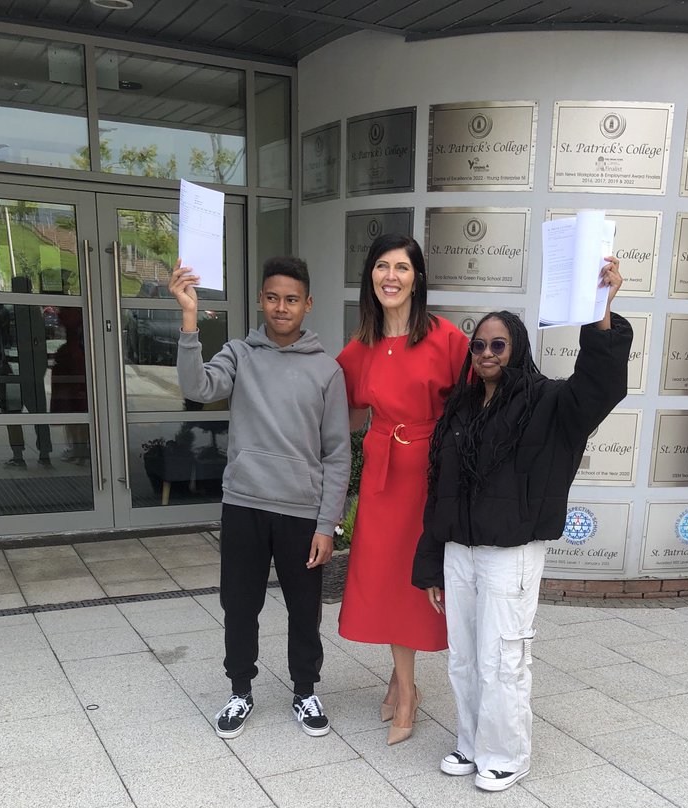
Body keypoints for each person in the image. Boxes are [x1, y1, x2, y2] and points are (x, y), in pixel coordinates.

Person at [412, 258, 631, 791]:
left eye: (498, 345)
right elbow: (441, 487)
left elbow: (600, 385)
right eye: (479, 345)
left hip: (510, 552)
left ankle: (507, 753)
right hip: (459, 551)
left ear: (517, 350)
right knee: (464, 657)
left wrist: (600, 312)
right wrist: (431, 561)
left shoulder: (550, 402)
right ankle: (470, 742)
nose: (486, 353)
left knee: (503, 656)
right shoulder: (460, 408)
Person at [170, 255, 351, 740]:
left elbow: (337, 455)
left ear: (307, 304)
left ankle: (305, 690)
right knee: (239, 604)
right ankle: (239, 691)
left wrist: (326, 524)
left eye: (291, 299)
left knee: (303, 608)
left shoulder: (327, 372)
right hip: (245, 503)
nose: (281, 307)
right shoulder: (239, 354)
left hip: (301, 513)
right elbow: (197, 385)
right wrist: (190, 319)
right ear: (260, 300)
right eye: (272, 298)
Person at [338, 234, 468, 744]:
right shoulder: (360, 344)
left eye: (402, 268)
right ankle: (401, 677)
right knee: (385, 579)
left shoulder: (446, 338)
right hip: (380, 476)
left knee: (416, 583)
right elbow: (340, 408)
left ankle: (408, 691)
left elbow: (474, 408)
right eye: (381, 267)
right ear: (370, 275)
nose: (390, 277)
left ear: (417, 278)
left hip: (429, 476)